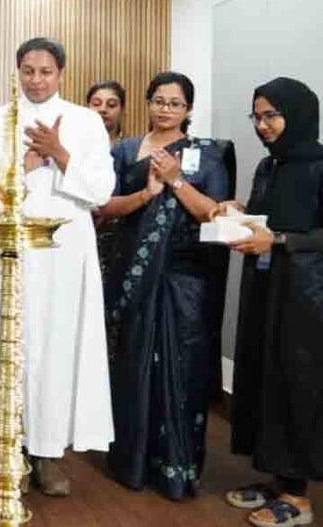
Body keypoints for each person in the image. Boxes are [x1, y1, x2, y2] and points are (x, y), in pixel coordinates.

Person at [220, 77, 323, 527]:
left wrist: (277, 241)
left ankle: (299, 499)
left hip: (309, 300)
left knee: (299, 386)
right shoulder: (271, 167)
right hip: (270, 289)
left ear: (298, 114)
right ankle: (278, 480)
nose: (262, 126)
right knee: (268, 379)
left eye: (271, 116)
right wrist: (237, 214)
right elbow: (269, 220)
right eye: (257, 116)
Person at [0, 37, 115, 497]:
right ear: (16, 71)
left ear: (61, 74)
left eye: (46, 71)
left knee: (56, 350)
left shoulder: (85, 121)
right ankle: (6, 449)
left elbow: (100, 191)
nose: (36, 79)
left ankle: (49, 454)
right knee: (8, 346)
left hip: (64, 255)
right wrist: (28, 163)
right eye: (28, 70)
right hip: (9, 253)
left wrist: (60, 153)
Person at [99, 71, 235, 500]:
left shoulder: (207, 156)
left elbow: (214, 214)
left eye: (175, 103)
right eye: (158, 100)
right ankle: (132, 460)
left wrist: (176, 180)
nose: (165, 109)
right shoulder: (123, 151)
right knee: (132, 362)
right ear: (147, 102)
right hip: (133, 274)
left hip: (184, 278)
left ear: (188, 110)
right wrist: (146, 193)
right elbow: (104, 209)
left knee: (181, 368)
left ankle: (176, 468)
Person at [87, 80, 128, 361]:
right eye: (96, 104)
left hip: (119, 242)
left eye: (111, 105)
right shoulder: (73, 150)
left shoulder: (130, 151)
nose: (103, 111)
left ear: (122, 110)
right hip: (82, 238)